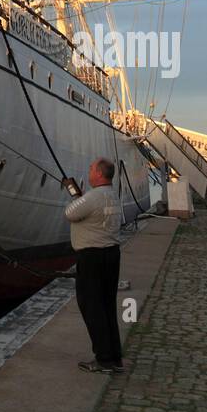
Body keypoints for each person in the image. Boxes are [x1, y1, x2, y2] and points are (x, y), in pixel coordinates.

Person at [62, 157, 124, 374]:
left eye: (90, 168)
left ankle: (104, 359)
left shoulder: (93, 196)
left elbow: (70, 213)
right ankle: (114, 356)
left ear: (99, 174)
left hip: (92, 258)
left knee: (92, 307)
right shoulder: (112, 195)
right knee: (107, 306)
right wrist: (81, 197)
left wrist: (74, 197)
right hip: (111, 255)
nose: (88, 171)